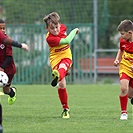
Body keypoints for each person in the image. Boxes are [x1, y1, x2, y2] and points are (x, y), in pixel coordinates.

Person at [43, 12, 79, 118]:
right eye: (52, 28)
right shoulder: (49, 38)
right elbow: (67, 40)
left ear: (59, 24)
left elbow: (64, 34)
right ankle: (65, 109)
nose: (55, 30)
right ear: (47, 29)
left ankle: (58, 75)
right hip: (55, 58)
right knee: (62, 85)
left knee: (62, 68)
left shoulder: (63, 27)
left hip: (66, 55)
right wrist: (75, 30)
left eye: (56, 27)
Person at [0, 19, 29, 131]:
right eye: (0, 28)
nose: (2, 30)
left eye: (4, 28)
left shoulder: (6, 41)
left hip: (8, 70)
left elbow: (9, 57)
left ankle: (12, 93)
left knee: (6, 91)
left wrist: (2, 68)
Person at [114, 19, 133, 120]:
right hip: (125, 67)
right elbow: (121, 50)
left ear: (130, 33)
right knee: (123, 88)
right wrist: (117, 59)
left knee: (130, 95)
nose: (121, 36)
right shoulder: (123, 41)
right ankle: (124, 113)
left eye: (122, 34)